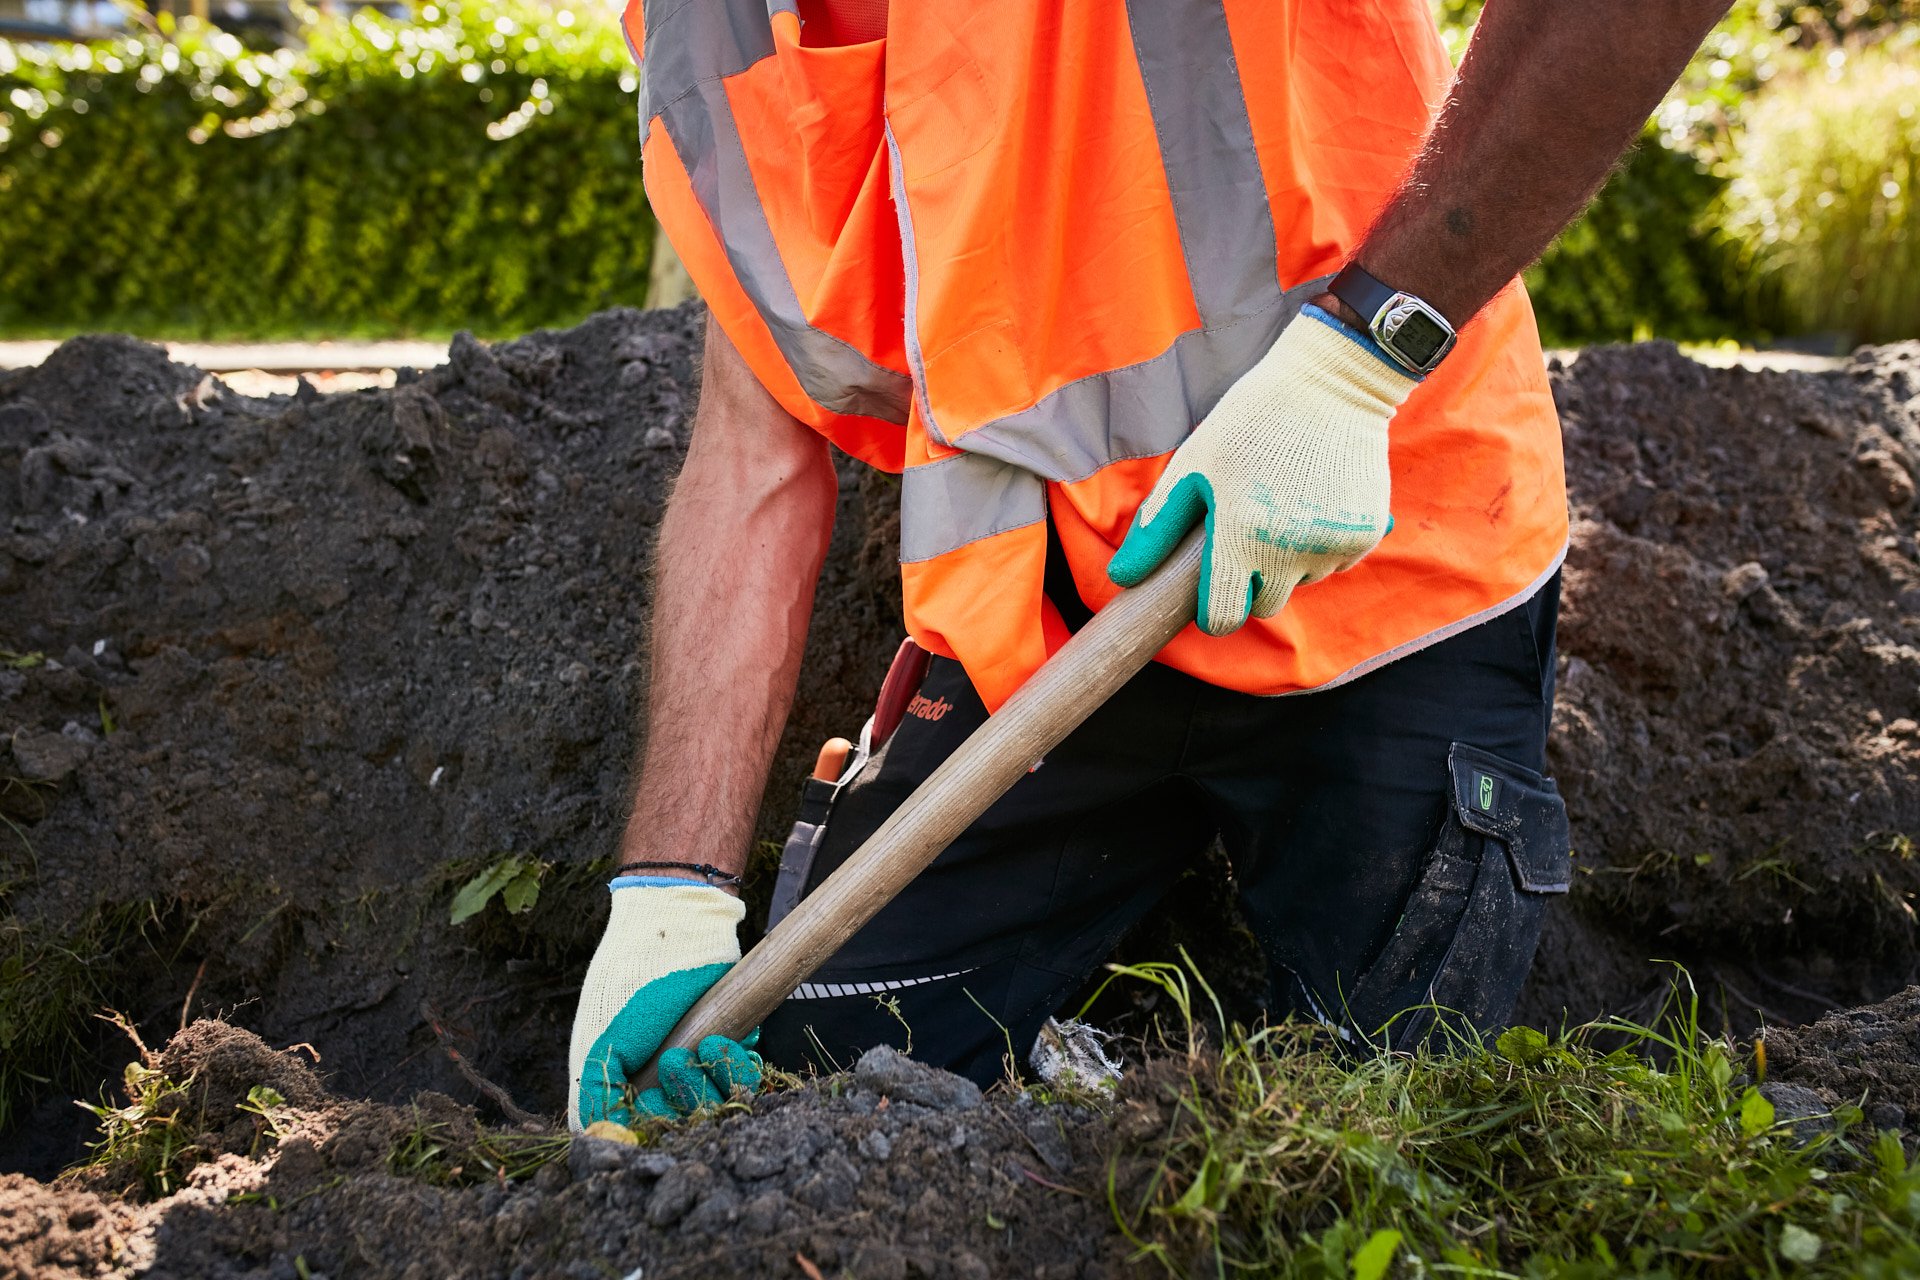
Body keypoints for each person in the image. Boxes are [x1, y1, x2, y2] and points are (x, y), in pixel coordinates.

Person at [567, 0, 1732, 1129]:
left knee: (1398, 1144)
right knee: (804, 1113)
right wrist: (668, 890)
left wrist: (1365, 356)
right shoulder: (719, 29)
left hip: (1379, 547)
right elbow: (749, 455)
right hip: (1036, 631)